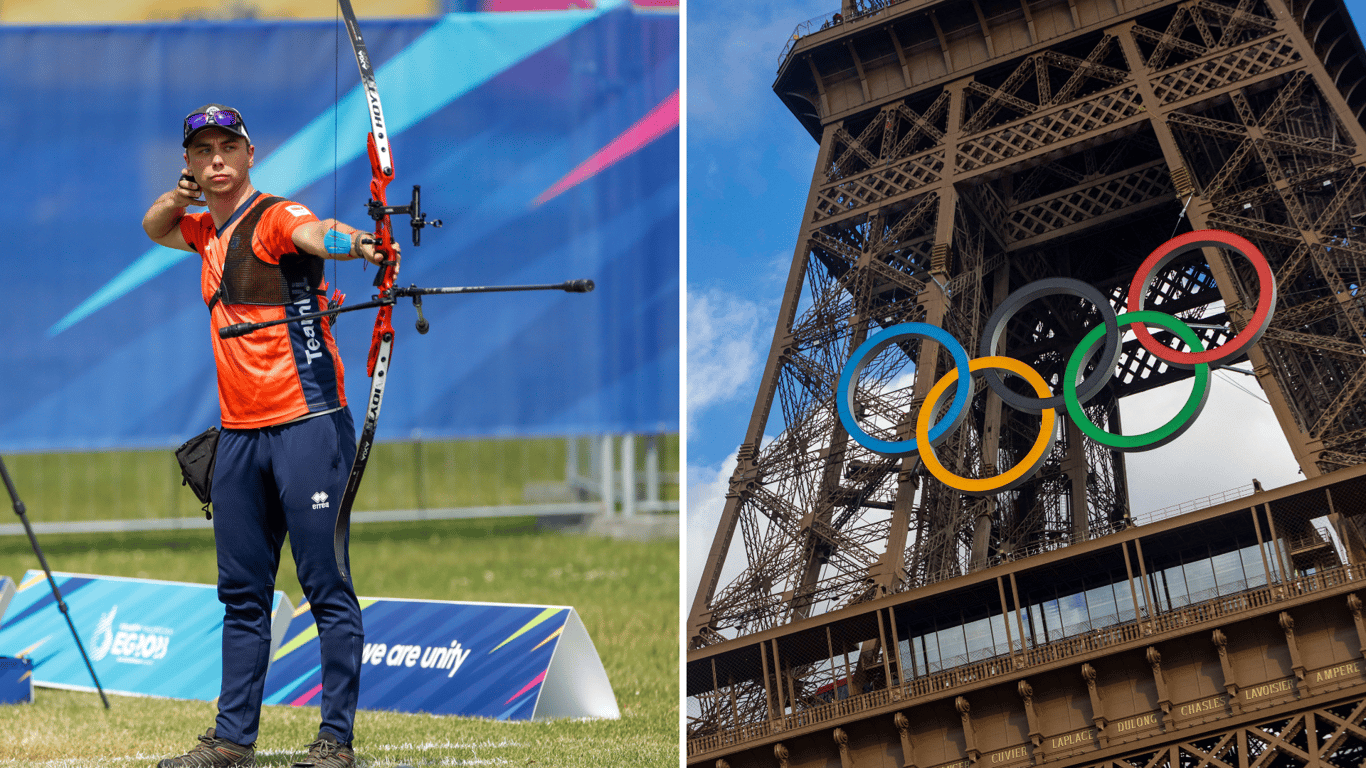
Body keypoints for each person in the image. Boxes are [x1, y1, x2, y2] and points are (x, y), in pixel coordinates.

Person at [143, 104, 395, 768]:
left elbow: (316, 235)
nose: (218, 159)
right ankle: (231, 742)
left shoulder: (276, 216)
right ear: (192, 162)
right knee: (242, 595)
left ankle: (334, 741)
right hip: (239, 439)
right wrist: (180, 195)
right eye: (204, 151)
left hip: (306, 428)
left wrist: (363, 245)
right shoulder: (202, 231)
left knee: (324, 586)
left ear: (250, 156)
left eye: (229, 147)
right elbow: (154, 226)